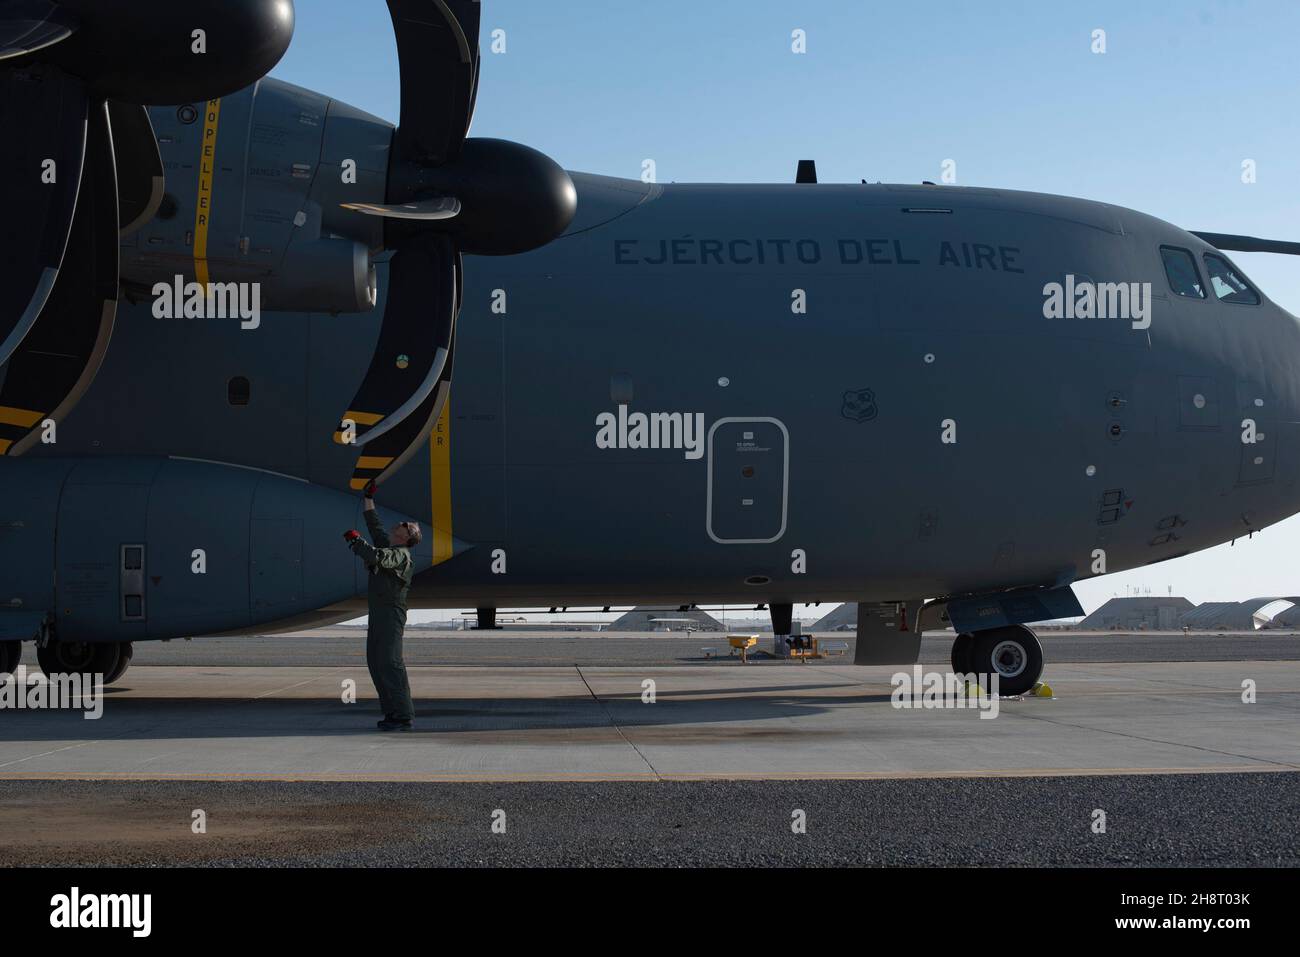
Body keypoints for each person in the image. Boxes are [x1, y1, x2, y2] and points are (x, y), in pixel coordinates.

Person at [343, 480, 420, 731]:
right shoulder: (391, 547)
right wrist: (368, 498)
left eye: (405, 526)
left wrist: (356, 542)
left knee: (390, 663)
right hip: (378, 613)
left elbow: (376, 556)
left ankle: (403, 714)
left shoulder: (401, 555)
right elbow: (375, 525)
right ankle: (391, 713)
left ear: (407, 537)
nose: (400, 524)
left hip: (390, 613)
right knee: (376, 663)